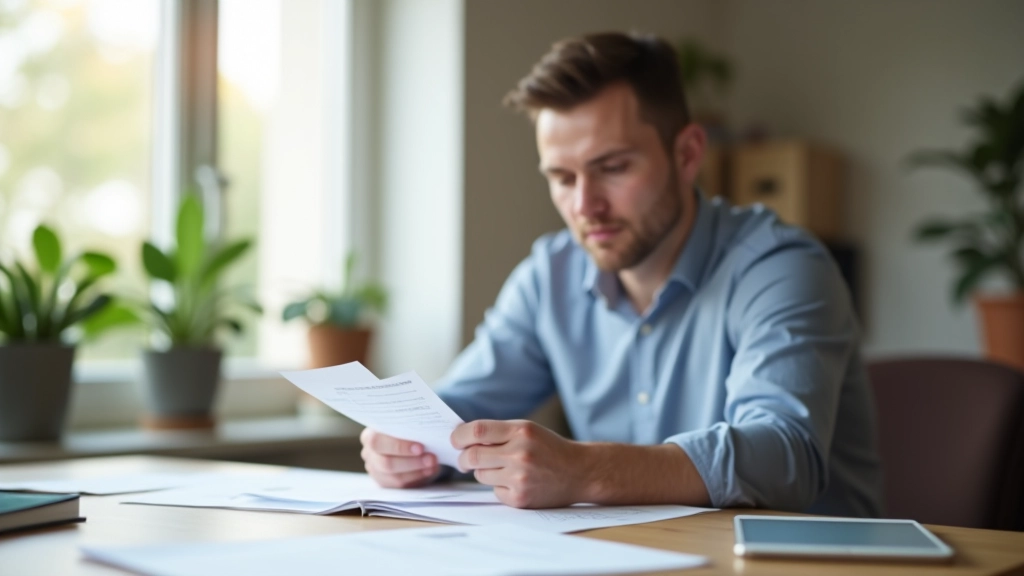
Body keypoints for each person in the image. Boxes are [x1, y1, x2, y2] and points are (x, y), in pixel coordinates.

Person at [359, 31, 883, 517]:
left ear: (687, 153)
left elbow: (783, 454)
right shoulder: (550, 275)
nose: (585, 206)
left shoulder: (781, 267)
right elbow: (458, 412)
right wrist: (406, 444)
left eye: (612, 168)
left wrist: (585, 471)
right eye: (562, 178)